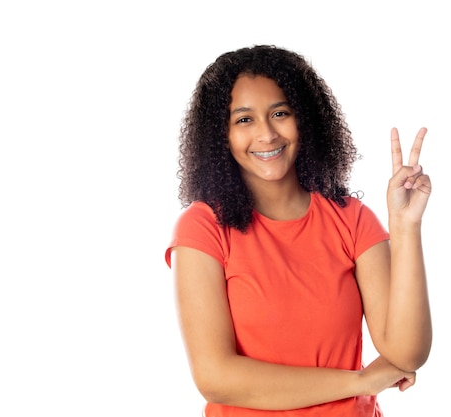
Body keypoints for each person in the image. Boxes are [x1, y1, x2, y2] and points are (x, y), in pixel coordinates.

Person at [164, 45, 432, 416]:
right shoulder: (204, 228)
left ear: (304, 118)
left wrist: (405, 227)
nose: (267, 134)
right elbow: (215, 377)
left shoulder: (352, 220)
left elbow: (406, 353)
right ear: (220, 135)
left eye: (280, 113)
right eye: (244, 120)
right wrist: (359, 382)